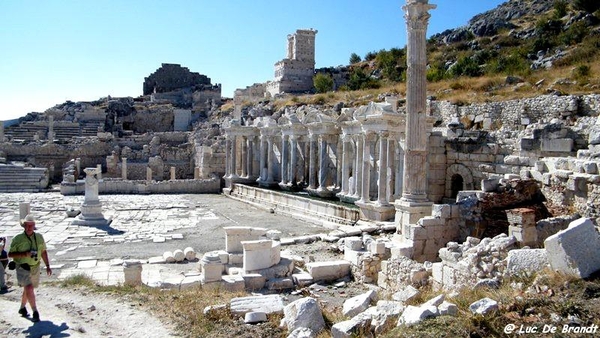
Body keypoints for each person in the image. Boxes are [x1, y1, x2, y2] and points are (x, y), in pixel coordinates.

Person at [8, 214, 52, 322]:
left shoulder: (39, 237)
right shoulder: (17, 238)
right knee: (29, 288)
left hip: (35, 266)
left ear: (34, 226)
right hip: (22, 267)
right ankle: (35, 311)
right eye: (27, 226)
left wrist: (47, 266)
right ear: (24, 226)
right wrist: (24, 254)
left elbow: (43, 251)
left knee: (28, 289)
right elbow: (10, 254)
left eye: (31, 226)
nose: (28, 228)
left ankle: (22, 308)